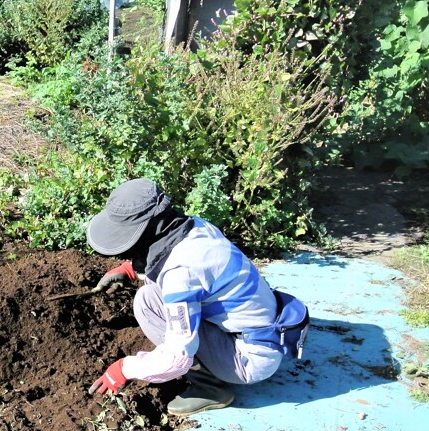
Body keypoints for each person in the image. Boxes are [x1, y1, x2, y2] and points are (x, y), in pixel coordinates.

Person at [86, 178, 309, 416]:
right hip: (266, 330)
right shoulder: (195, 227)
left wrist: (124, 368)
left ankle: (210, 388)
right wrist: (130, 269)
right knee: (149, 296)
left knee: (146, 304)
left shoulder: (180, 274)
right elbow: (186, 270)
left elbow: (175, 359)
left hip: (250, 360)